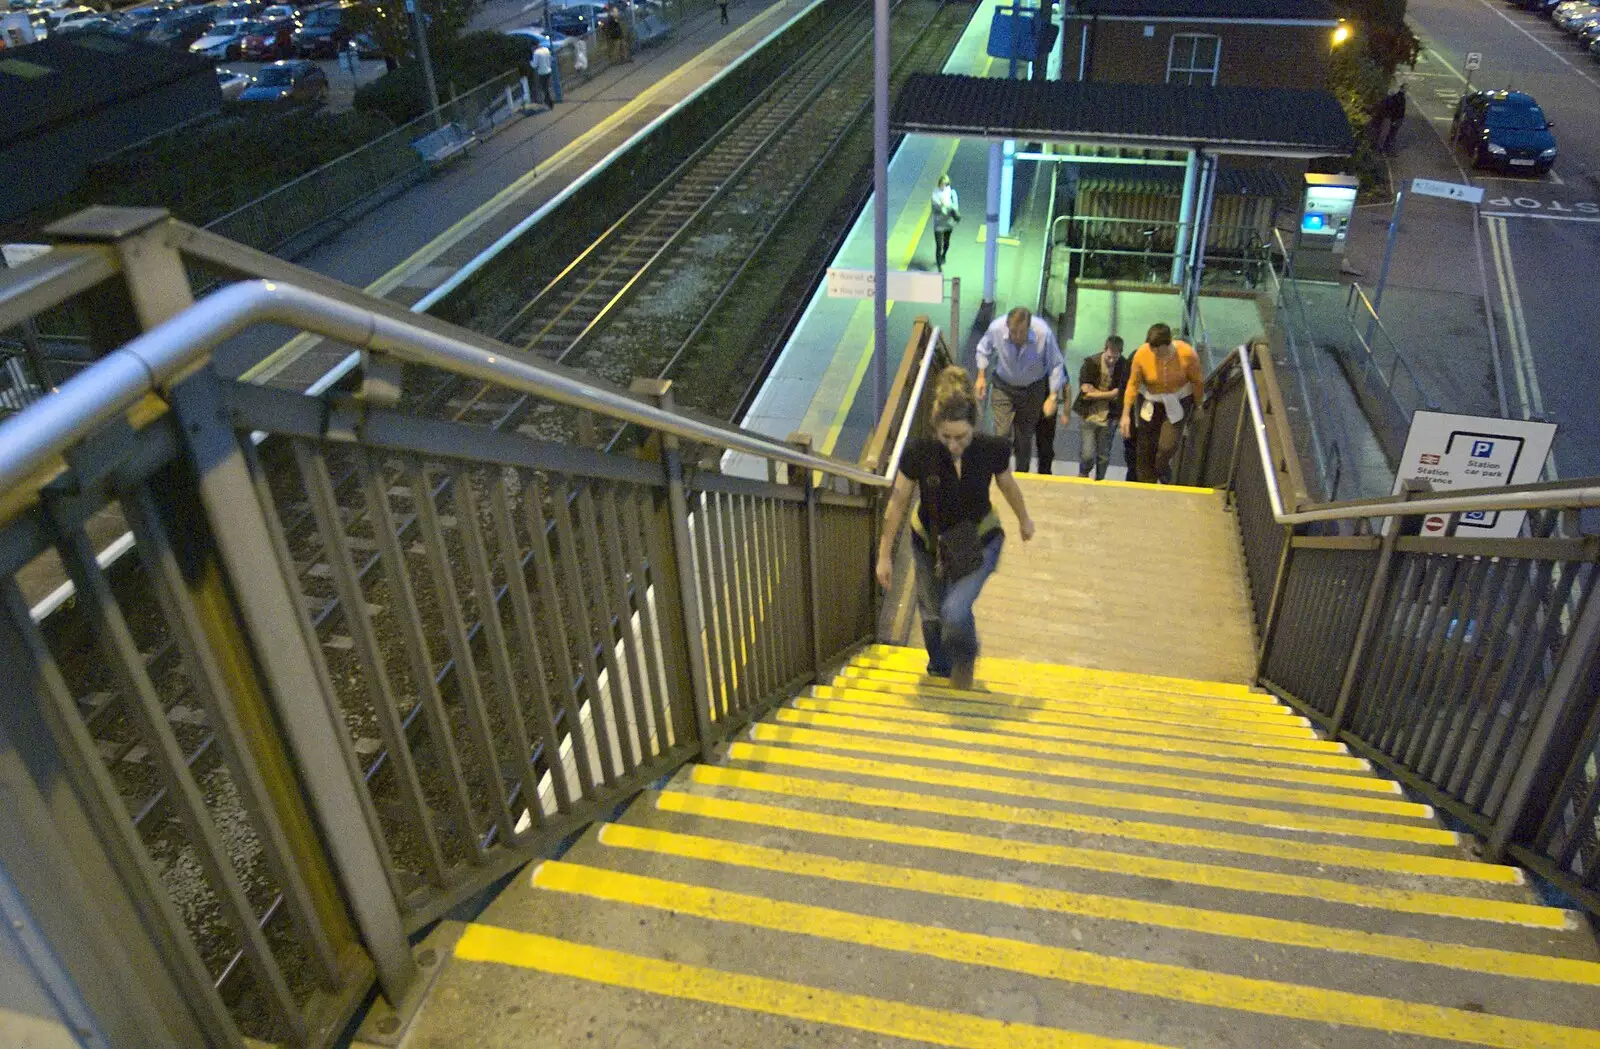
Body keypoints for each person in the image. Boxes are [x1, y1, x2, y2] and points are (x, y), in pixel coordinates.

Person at [875, 366, 1035, 690]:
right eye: (945, 437)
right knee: (932, 616)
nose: (953, 445)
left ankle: (965, 658)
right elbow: (898, 502)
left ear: (974, 426)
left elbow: (1008, 486)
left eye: (961, 437)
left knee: (954, 609)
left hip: (980, 541)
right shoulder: (919, 452)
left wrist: (1024, 519)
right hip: (930, 543)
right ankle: (939, 669)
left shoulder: (992, 448)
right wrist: (884, 555)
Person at [974, 306, 1065, 474]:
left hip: (1032, 390)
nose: (1016, 337)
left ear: (1029, 327)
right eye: (1013, 332)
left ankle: (1022, 475)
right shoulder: (996, 328)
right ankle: (1000, 472)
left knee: (1024, 438)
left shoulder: (1043, 333)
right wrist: (981, 376)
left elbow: (1056, 364)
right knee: (1002, 434)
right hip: (1003, 386)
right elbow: (982, 350)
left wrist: (1052, 396)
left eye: (1021, 332)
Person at [1121, 323, 1204, 484]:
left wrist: (1199, 405)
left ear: (1169, 343)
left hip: (1178, 400)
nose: (1156, 353)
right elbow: (1132, 384)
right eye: (1153, 349)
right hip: (1151, 400)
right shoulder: (1142, 354)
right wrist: (1126, 414)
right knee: (1145, 447)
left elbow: (1197, 382)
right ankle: (1146, 485)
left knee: (1167, 446)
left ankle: (1162, 468)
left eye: (1160, 350)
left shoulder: (1187, 354)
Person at [1073, 335, 1130, 479]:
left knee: (1103, 455)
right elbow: (1086, 391)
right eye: (1109, 357)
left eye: (1115, 358)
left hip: (1109, 416)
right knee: (1087, 454)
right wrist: (1110, 393)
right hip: (1088, 414)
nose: (1111, 361)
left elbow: (1120, 392)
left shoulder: (1123, 366)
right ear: (1104, 350)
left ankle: (1099, 481)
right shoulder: (1091, 363)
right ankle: (1083, 473)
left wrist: (1096, 393)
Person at [930, 174, 960, 271]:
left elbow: (955, 206)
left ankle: (944, 255)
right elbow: (935, 210)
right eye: (942, 184)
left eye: (946, 184)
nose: (944, 186)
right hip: (938, 223)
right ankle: (939, 265)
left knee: (946, 243)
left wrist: (948, 206)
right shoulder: (935, 194)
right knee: (939, 245)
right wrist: (942, 206)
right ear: (939, 184)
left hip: (948, 223)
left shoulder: (951, 193)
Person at [1378, 84, 1406, 152]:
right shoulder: (1392, 99)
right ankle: (1382, 148)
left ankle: (1384, 148)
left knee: (1389, 133)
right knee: (1387, 133)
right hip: (1390, 117)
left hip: (1391, 117)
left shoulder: (1391, 98)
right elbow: (1393, 109)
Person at [531, 41, 556, 108]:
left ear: (534, 46)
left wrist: (530, 62)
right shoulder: (546, 49)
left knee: (544, 88)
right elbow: (550, 59)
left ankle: (549, 102)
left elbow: (534, 65)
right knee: (548, 87)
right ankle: (550, 100)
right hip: (549, 70)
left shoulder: (536, 53)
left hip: (542, 72)